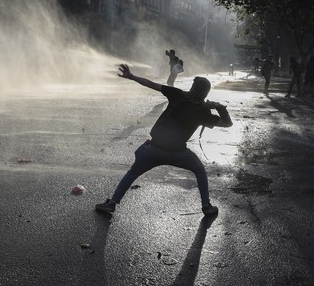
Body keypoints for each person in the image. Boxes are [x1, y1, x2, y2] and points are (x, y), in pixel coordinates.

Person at [95, 64, 233, 217]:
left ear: (193, 87)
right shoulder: (202, 111)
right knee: (200, 170)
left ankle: (112, 203)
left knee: (132, 173)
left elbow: (152, 84)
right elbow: (227, 124)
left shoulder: (178, 94)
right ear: (206, 92)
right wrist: (220, 107)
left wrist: (132, 76)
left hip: (153, 149)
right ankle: (206, 206)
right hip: (178, 153)